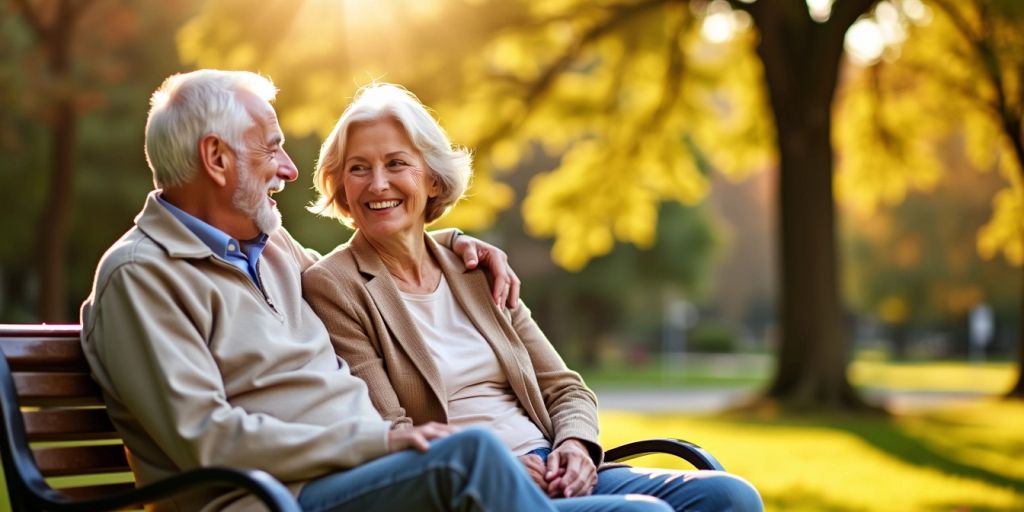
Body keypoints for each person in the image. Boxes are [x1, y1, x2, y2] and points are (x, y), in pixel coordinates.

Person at [80, 69, 561, 512]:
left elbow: (373, 265)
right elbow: (208, 438)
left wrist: (450, 246)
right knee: (470, 455)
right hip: (278, 497)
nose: (289, 169)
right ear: (217, 158)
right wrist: (377, 443)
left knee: (634, 503)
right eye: (272, 148)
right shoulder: (142, 276)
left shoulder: (271, 249)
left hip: (363, 479)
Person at [301, 83, 764, 512]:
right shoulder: (336, 285)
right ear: (341, 188)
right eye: (358, 168)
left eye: (396, 163)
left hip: (555, 467)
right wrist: (496, 465)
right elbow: (393, 428)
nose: (377, 183)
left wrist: (576, 448)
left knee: (730, 497)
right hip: (475, 485)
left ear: (433, 181)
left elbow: (565, 388)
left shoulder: (476, 270)